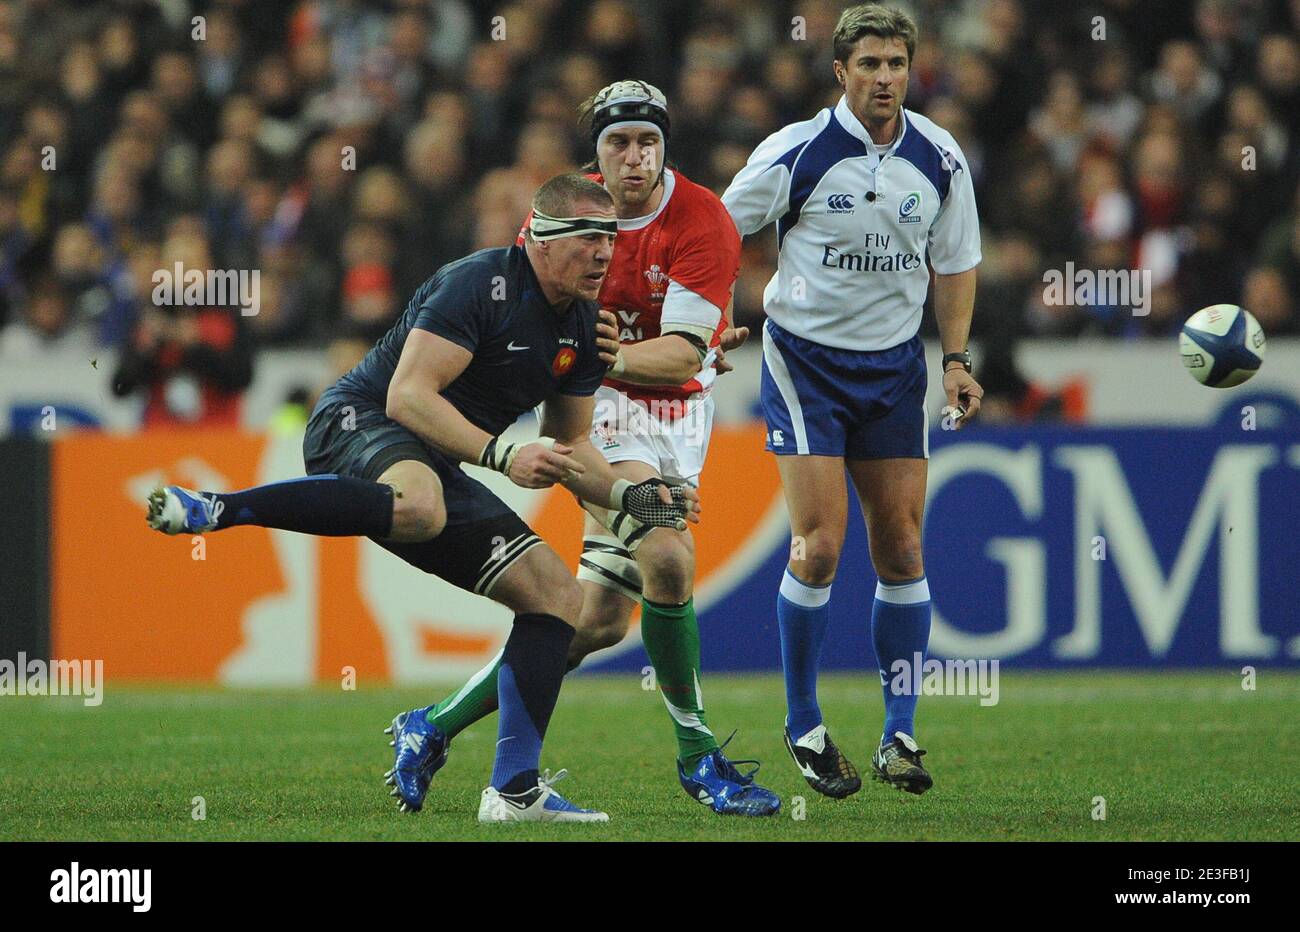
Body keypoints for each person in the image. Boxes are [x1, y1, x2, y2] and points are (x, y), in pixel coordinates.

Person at [146, 172, 699, 823]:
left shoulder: (584, 325)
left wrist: (635, 494)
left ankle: (514, 792)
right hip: (358, 421)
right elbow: (407, 396)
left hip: (433, 465)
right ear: (541, 240)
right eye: (586, 238)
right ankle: (222, 508)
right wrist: (499, 454)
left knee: (558, 595)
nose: (604, 253)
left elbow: (571, 449)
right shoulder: (481, 283)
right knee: (420, 501)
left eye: (609, 238)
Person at [415, 81, 780, 817]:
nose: (634, 157)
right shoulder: (570, 213)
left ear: (664, 145)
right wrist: (589, 359)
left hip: (680, 417)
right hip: (596, 409)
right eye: (618, 143)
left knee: (596, 622)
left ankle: (430, 728)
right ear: (598, 151)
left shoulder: (703, 217)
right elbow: (530, 309)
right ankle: (698, 757)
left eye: (648, 141)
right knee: (671, 558)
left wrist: (701, 341)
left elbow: (681, 357)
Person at [721, 4, 983, 798]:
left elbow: (958, 261)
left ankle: (899, 733)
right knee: (821, 548)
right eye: (868, 65)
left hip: (896, 369)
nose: (883, 78)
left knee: (901, 547)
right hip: (805, 362)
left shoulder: (939, 157)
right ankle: (803, 721)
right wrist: (706, 319)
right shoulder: (795, 152)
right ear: (840, 72)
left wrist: (958, 359)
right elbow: (711, 231)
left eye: (896, 65)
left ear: (911, 69)